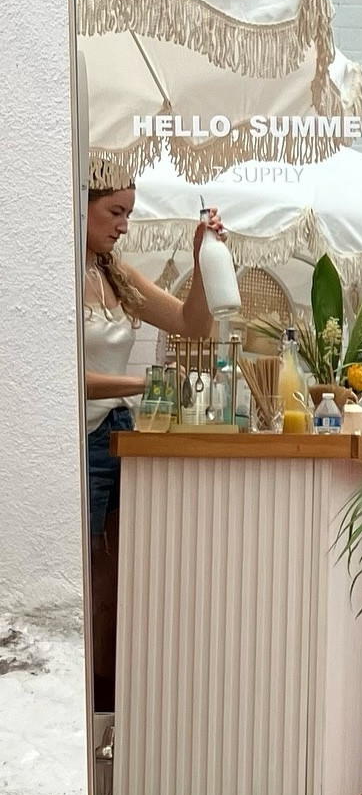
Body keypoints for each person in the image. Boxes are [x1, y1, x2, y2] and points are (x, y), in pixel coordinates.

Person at [84, 177, 225, 713]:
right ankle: (92, 710)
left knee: (120, 580)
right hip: (82, 439)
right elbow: (66, 378)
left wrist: (202, 259)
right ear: (82, 205)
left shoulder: (114, 276)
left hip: (121, 434)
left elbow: (193, 325)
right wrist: (147, 383)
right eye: (115, 212)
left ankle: (117, 708)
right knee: (90, 578)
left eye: (128, 214)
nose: (123, 226)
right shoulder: (65, 277)